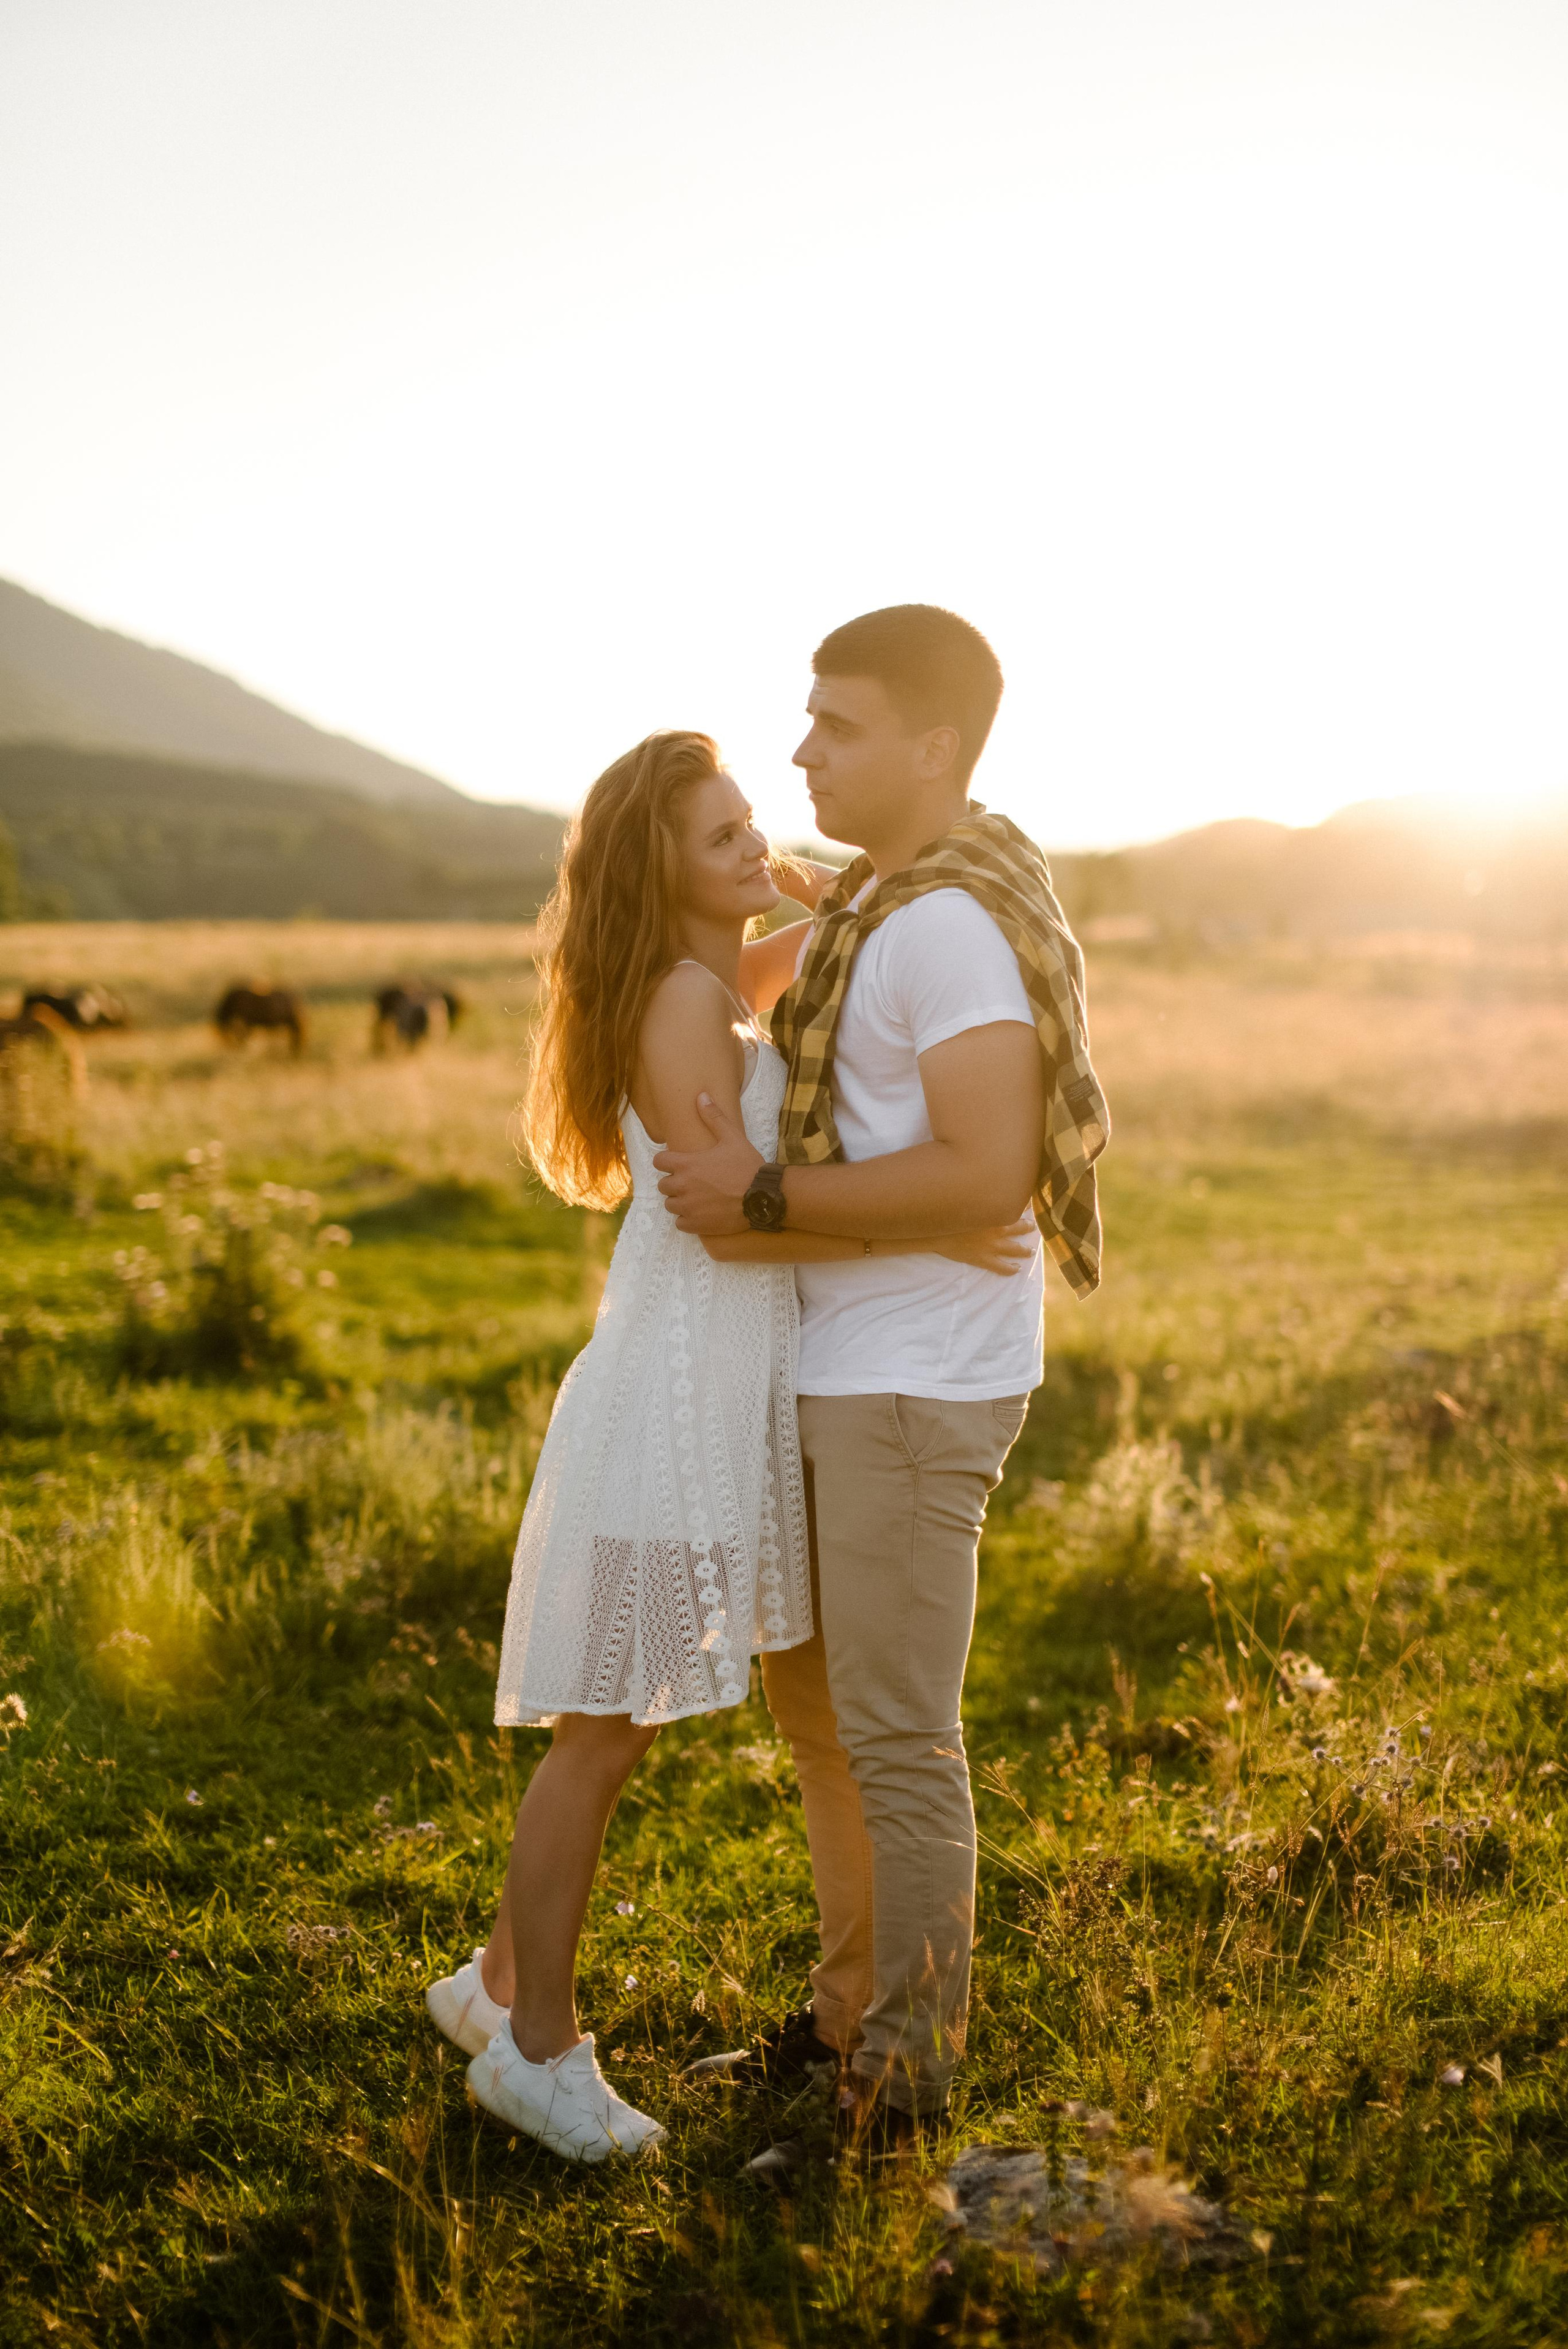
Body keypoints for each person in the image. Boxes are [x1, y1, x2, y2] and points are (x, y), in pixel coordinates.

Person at [421, 727, 1034, 2163]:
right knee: (598, 1736)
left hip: (704, 1391)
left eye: (751, 818)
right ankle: (538, 2052)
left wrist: (832, 885)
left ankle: (491, 1984)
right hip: (673, 1403)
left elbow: (808, 948)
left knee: (608, 1725)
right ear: (659, 874)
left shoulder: (705, 981)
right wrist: (941, 1226)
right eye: (721, 837)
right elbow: (728, 1216)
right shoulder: (685, 1001)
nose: (756, 843)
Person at [653, 605, 1109, 2154]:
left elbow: (984, 1172)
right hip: (837, 1359)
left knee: (896, 1735)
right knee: (823, 1725)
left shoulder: (945, 929)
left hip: (914, 1381)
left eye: (835, 726)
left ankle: (901, 2088)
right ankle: (845, 2020)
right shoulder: (879, 903)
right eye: (804, 719)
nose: (801, 753)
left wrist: (759, 1200)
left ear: (932, 747)